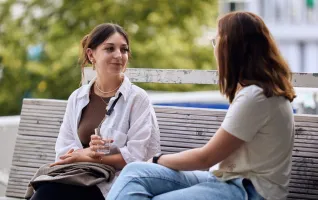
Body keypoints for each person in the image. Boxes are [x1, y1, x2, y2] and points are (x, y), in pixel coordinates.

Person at [107, 11, 296, 200]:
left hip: (248, 190)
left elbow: (206, 157)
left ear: (232, 48)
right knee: (134, 173)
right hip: (226, 180)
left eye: (216, 41)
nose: (215, 50)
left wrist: (158, 159)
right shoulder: (258, 92)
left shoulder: (256, 97)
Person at [29, 23, 160, 200]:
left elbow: (136, 157)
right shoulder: (77, 97)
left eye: (124, 50)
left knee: (48, 195)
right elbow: (63, 151)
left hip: (117, 185)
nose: (118, 55)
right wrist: (85, 154)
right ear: (91, 55)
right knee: (45, 193)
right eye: (109, 49)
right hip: (78, 178)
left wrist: (90, 157)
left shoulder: (137, 98)